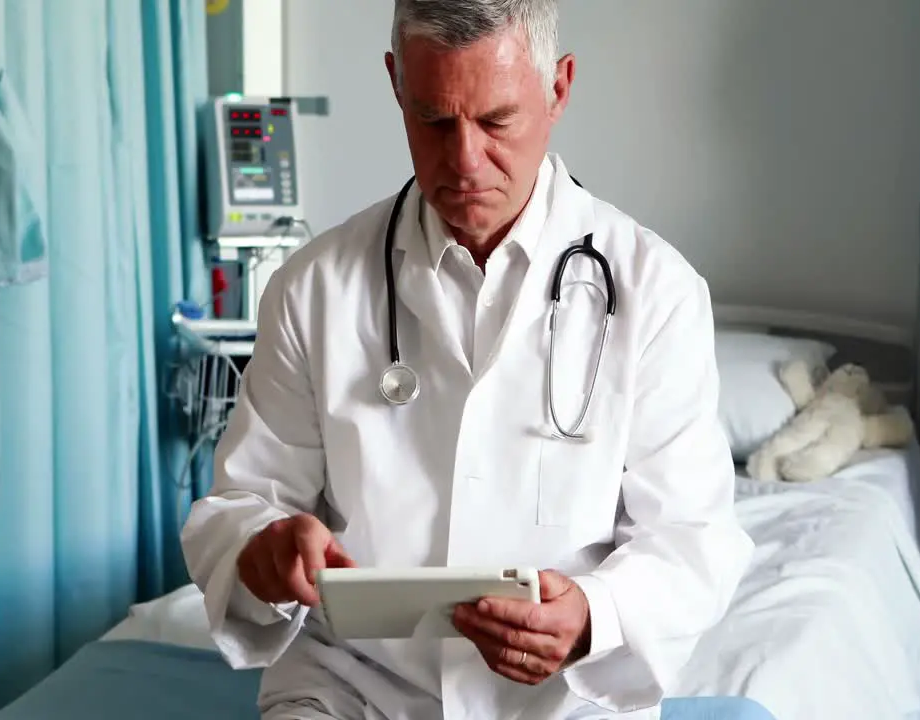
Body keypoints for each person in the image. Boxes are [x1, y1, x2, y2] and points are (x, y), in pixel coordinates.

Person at [180, 1, 754, 718]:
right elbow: (238, 505)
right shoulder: (314, 288)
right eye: (434, 120)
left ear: (559, 89)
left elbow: (693, 539)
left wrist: (592, 614)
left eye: (496, 121)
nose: (463, 162)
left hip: (558, 704)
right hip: (350, 690)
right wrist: (260, 551)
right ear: (396, 85)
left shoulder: (656, 292)